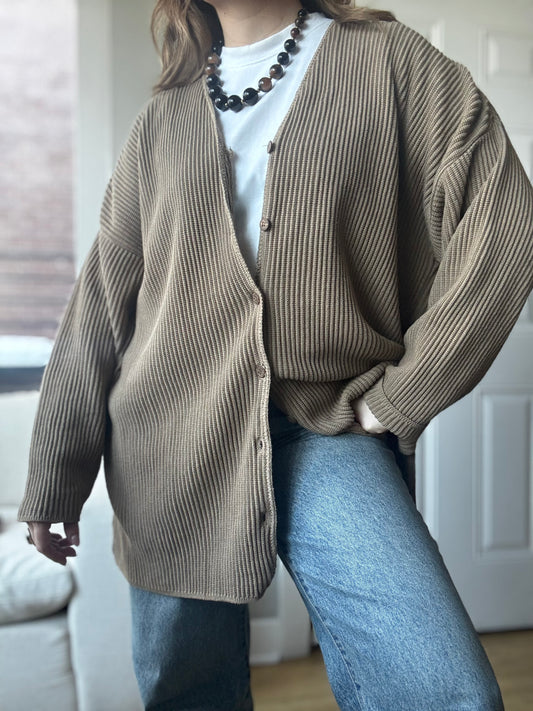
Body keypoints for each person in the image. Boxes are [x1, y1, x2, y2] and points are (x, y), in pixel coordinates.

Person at [19, 0, 533, 708]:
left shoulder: (387, 61)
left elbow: (505, 222)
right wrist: (55, 473)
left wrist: (401, 396)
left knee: (447, 691)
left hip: (324, 427)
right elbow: (100, 308)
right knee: (187, 692)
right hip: (169, 441)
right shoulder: (161, 121)